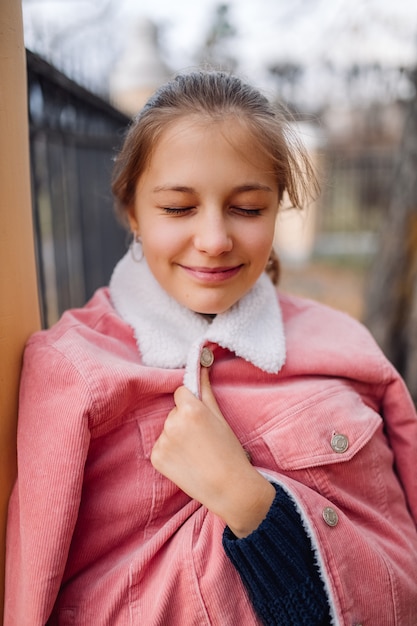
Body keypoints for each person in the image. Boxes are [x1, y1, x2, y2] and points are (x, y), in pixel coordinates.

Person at [4, 70, 417, 626]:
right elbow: (33, 598)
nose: (216, 239)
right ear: (132, 211)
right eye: (178, 208)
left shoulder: (345, 346)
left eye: (248, 208)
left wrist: (251, 504)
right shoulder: (71, 367)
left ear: (277, 208)